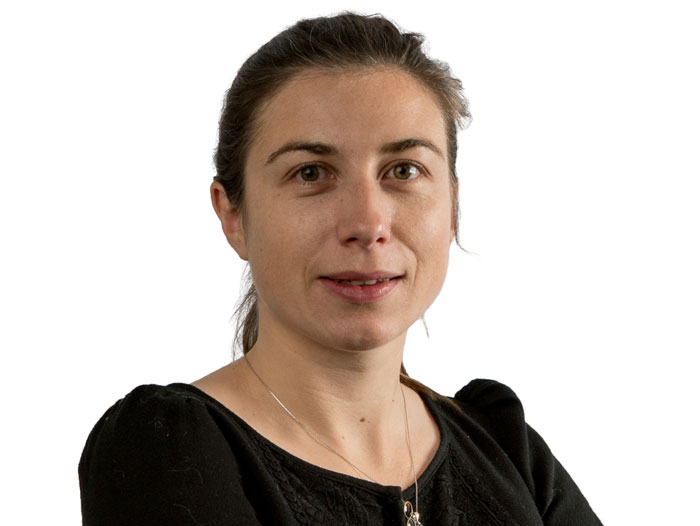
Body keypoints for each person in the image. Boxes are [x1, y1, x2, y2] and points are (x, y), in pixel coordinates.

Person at [79, 12, 603, 525]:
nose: (367, 224)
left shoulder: (503, 444)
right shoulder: (165, 445)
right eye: (311, 173)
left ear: (452, 208)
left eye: (404, 170)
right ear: (233, 215)